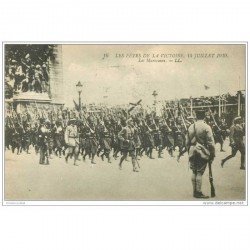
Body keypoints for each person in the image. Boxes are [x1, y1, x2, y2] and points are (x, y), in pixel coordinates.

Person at [186, 110, 215, 199]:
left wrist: (189, 151)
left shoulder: (191, 126)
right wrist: (212, 154)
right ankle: (198, 192)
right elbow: (211, 142)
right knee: (199, 172)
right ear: (204, 116)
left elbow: (187, 141)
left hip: (192, 150)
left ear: (196, 116)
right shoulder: (206, 126)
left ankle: (195, 191)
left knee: (194, 171)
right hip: (202, 150)